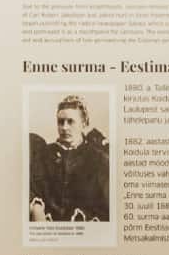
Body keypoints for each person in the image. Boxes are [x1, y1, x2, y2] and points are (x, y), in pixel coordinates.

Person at [29, 95, 110, 223]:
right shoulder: (43, 154)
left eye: (70, 121)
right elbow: (32, 188)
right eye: (60, 122)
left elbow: (107, 207)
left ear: (84, 124)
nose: (64, 127)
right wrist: (36, 209)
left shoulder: (99, 160)